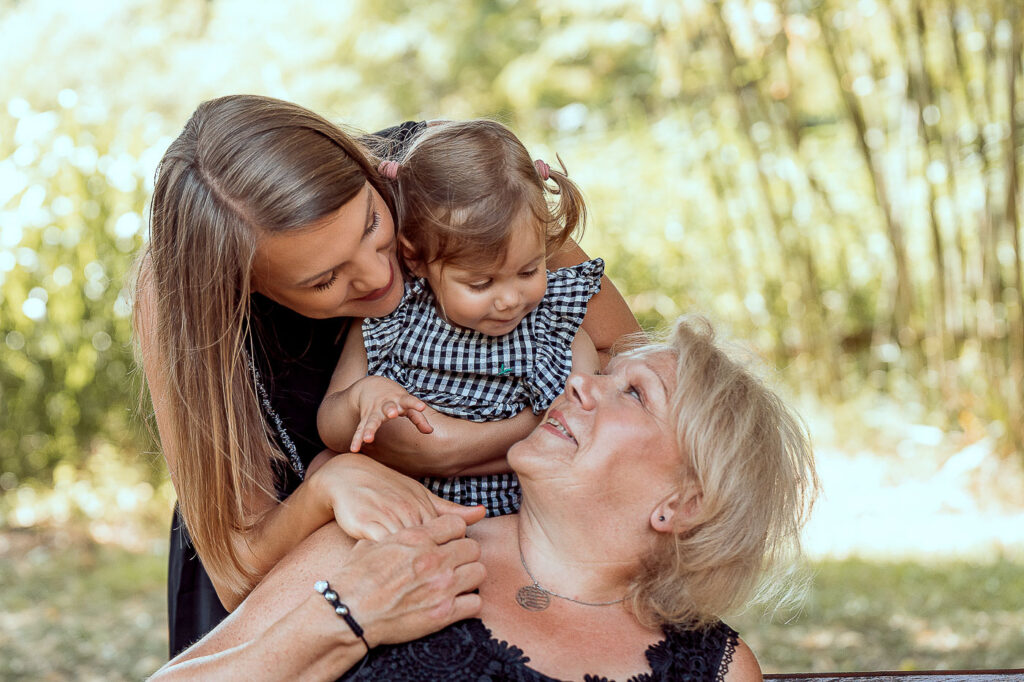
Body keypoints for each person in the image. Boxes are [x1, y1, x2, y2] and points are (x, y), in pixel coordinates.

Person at [133, 95, 640, 656]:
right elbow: (238, 572)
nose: (380, 274)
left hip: (495, 539)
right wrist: (327, 486)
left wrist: (457, 448)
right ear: (245, 285)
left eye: (373, 222)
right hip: (307, 579)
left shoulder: (452, 178)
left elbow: (628, 364)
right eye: (324, 279)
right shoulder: (186, 301)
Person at [150, 316, 819, 681]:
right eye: (606, 374)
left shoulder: (718, 671)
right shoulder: (394, 535)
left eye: (635, 394)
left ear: (685, 503)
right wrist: (346, 614)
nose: (583, 384)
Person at [318, 119, 605, 517]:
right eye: (480, 283)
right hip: (410, 513)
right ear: (417, 258)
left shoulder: (555, 326)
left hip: (525, 516)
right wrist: (361, 398)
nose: (509, 299)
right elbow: (329, 427)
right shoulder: (392, 318)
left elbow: (583, 424)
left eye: (528, 271)